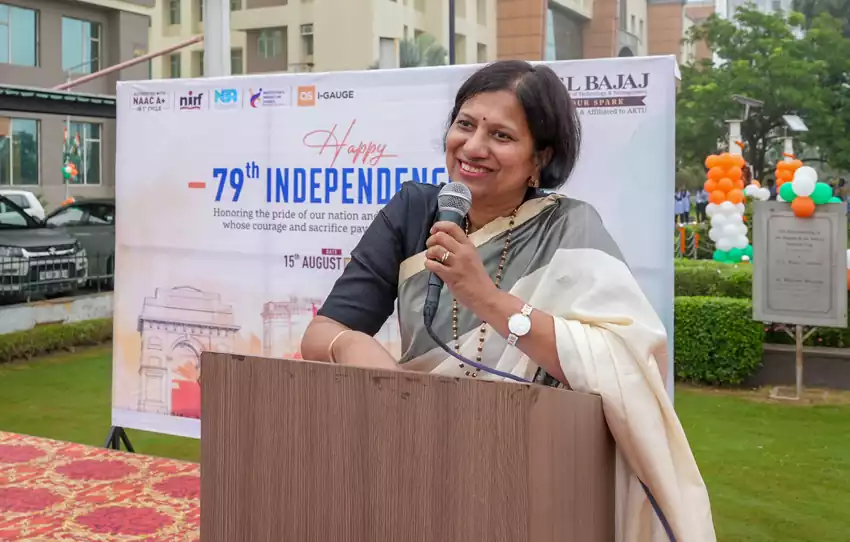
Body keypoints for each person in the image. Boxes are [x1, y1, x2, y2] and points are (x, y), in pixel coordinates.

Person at [301, 60, 715, 542]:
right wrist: (354, 346)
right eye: (465, 124)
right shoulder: (414, 211)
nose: (473, 147)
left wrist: (487, 298)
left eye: (500, 135)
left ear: (540, 158)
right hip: (418, 449)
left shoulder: (571, 229)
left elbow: (623, 361)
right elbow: (321, 333)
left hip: (531, 470)